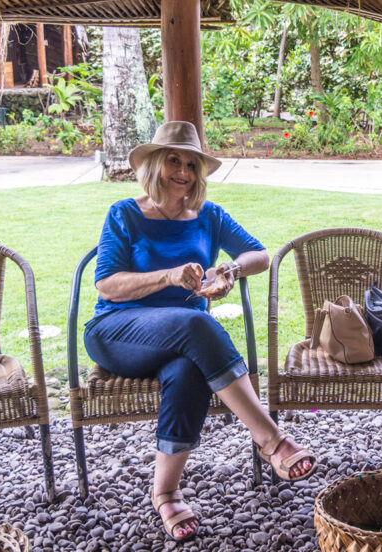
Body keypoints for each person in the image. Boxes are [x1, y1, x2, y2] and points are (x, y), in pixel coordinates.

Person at [83, 121, 316, 542]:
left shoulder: (209, 216)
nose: (184, 171)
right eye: (174, 159)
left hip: (182, 342)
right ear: (154, 164)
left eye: (191, 163)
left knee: (189, 371)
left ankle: (166, 491)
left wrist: (229, 268)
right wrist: (170, 276)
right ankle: (270, 438)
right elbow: (106, 285)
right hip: (117, 332)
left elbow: (259, 255)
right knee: (197, 320)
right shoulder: (125, 214)